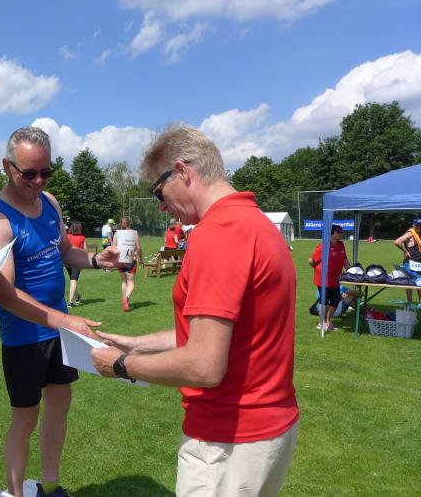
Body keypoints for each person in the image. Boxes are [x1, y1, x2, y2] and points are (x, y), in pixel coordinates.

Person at [91, 124, 299, 497]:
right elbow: (216, 333)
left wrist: (121, 365)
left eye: (158, 191)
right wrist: (135, 344)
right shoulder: (255, 223)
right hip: (268, 430)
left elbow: (204, 364)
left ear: (182, 171)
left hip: (227, 439)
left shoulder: (217, 233)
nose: (160, 205)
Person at [0, 127, 119, 497]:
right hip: (24, 335)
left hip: (59, 330)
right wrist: (66, 320)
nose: (38, 181)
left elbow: (65, 253)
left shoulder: (50, 202)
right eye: (29, 173)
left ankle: (50, 486)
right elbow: (6, 294)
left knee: (60, 404)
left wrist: (96, 260)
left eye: (46, 172)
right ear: (7, 167)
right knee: (25, 417)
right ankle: (16, 493)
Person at [309, 224, 350, 332]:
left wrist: (351, 272)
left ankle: (327, 322)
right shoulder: (324, 245)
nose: (341, 233)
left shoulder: (341, 245)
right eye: (338, 232)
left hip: (336, 278)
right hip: (323, 279)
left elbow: (345, 260)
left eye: (341, 231)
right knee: (325, 300)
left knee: (336, 299)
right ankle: (321, 323)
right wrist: (318, 269)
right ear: (332, 233)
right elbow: (311, 260)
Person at [112, 216, 143, 312]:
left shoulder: (117, 233)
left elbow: (113, 247)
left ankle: (125, 299)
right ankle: (126, 298)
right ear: (130, 224)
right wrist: (141, 259)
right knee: (131, 282)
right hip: (131, 259)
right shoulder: (134, 233)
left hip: (120, 259)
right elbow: (138, 248)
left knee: (124, 282)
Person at [393, 218, 421, 303]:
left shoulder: (419, 234)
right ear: (414, 225)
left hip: (418, 263)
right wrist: (405, 251)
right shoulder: (410, 233)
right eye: (418, 225)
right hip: (410, 263)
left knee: (419, 282)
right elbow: (397, 242)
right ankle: (410, 303)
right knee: (411, 282)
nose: (419, 226)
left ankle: (420, 303)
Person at [65, 220, 87, 307]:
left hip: (67, 261)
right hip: (77, 261)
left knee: (73, 279)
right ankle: (71, 301)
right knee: (74, 280)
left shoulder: (67, 237)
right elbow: (86, 251)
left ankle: (76, 297)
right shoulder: (82, 238)